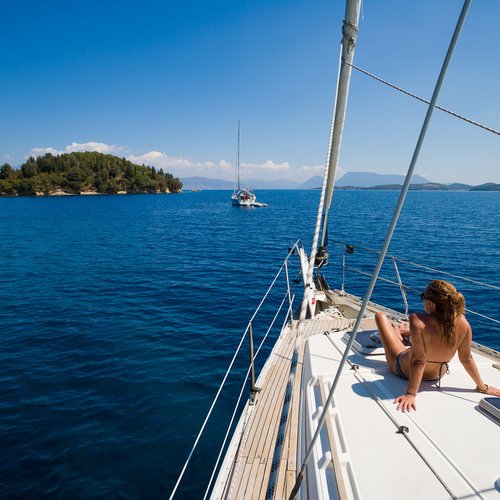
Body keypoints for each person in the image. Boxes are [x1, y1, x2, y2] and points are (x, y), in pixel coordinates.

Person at [375, 279, 500, 413]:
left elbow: (419, 360)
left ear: (430, 303)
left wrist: (411, 394)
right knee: (419, 339)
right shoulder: (464, 323)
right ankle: (403, 333)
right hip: (437, 375)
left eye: (423, 297)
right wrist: (483, 387)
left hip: (403, 370)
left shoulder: (416, 319)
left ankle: (399, 333)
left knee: (380, 316)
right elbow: (466, 358)